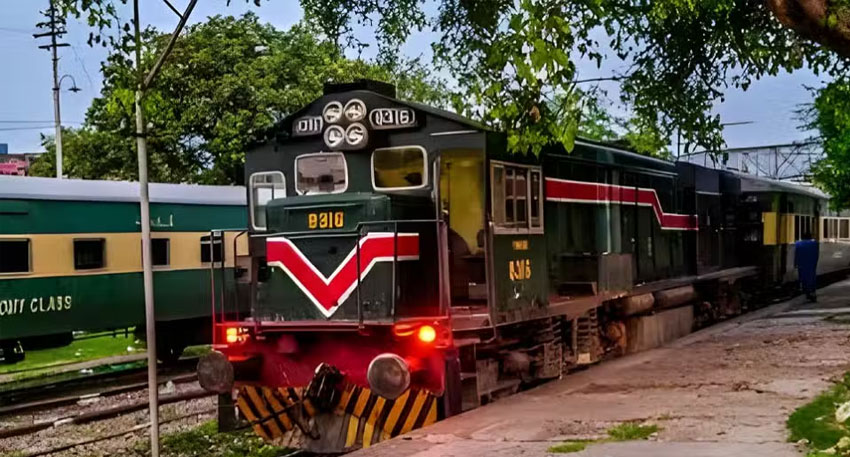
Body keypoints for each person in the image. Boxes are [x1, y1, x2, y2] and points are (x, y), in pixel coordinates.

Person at [795, 230, 819, 302]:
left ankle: (806, 292)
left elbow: (796, 254)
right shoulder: (814, 243)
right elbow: (816, 254)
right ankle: (812, 293)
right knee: (811, 278)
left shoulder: (798, 244)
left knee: (803, 278)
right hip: (811, 264)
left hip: (802, 264)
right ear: (810, 237)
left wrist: (796, 263)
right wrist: (815, 263)